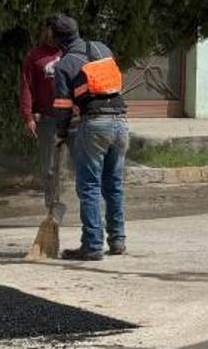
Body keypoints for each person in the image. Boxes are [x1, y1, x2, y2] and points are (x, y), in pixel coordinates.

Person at [49, 14, 130, 260]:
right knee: (114, 185)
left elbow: (63, 105)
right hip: (120, 122)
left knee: (89, 187)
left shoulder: (64, 65)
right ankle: (117, 241)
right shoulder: (101, 48)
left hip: (94, 125)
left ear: (57, 38)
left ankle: (92, 245)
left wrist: (60, 133)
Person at [19, 16, 66, 224]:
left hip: (71, 119)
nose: (54, 34)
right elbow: (26, 87)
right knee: (48, 167)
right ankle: (53, 209)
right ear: (45, 31)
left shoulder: (69, 53)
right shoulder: (34, 57)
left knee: (68, 167)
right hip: (47, 120)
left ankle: (78, 207)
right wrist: (28, 116)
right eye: (51, 30)